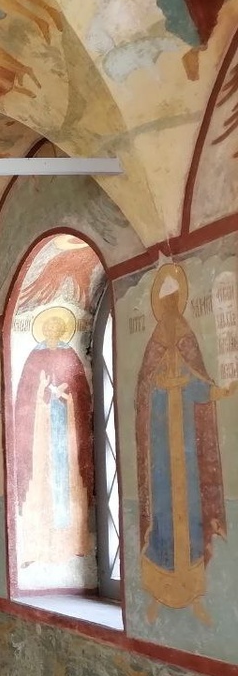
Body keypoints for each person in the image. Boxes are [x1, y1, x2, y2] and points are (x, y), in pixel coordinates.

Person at [136, 263, 233, 623]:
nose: (171, 305)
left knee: (190, 509)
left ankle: (193, 594)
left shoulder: (188, 337)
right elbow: (143, 391)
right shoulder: (154, 343)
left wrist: (217, 391)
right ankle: (159, 592)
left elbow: (199, 381)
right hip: (162, 446)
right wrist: (162, 386)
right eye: (166, 300)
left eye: (175, 299)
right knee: (163, 510)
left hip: (187, 446)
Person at [13, 306, 93, 566]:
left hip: (65, 428)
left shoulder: (71, 354)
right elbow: (25, 395)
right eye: (48, 327)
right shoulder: (34, 358)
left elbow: (82, 394)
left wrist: (66, 395)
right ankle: (40, 541)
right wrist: (43, 391)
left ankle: (70, 541)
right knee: (44, 475)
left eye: (56, 327)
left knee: (66, 478)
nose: (52, 331)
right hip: (42, 429)